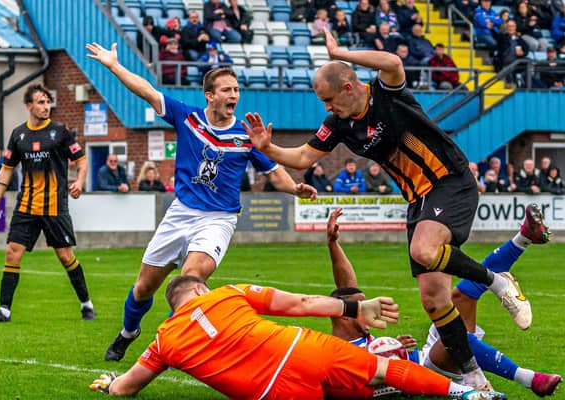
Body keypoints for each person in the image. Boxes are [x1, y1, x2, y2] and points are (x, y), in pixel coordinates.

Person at [243, 27, 533, 390]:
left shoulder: (385, 92)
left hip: (449, 180)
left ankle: (496, 281)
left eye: (329, 100)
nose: (327, 108)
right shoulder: (339, 125)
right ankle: (476, 380)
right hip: (418, 200)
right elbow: (302, 156)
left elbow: (394, 62)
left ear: (348, 87)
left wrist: (341, 52)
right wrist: (267, 149)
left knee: (424, 250)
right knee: (433, 299)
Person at [85, 43, 318, 362]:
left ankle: (163, 348)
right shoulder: (189, 118)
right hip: (180, 213)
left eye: (236, 89)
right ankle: (128, 333)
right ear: (210, 95)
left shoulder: (248, 136)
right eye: (226, 90)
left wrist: (296, 189)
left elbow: (276, 175)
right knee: (143, 288)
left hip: (218, 220)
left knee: (190, 280)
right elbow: (148, 91)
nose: (233, 95)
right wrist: (114, 65)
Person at [89, 276, 508, 400]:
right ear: (200, 289)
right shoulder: (228, 292)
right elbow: (302, 303)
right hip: (298, 348)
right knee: (383, 369)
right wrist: (353, 309)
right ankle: (467, 395)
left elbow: (127, 388)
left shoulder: (162, 340)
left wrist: (110, 385)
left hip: (269, 391)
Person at [325, 207, 562, 397]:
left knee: (461, 297)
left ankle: (523, 237)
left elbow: (347, 287)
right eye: (361, 307)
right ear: (344, 315)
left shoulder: (358, 332)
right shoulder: (337, 356)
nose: (369, 311)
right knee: (454, 335)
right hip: (427, 372)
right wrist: (389, 362)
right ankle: (530, 379)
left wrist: (333, 244)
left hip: (423, 355)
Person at [0, 84, 94, 322]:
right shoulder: (19, 134)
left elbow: (81, 162)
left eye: (47, 101)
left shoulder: (61, 132)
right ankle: (4, 310)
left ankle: (86, 303)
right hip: (26, 207)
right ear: (29, 105)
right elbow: (6, 170)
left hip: (55, 207)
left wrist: (80, 182)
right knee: (12, 253)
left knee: (65, 257)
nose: (45, 106)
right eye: (40, 102)